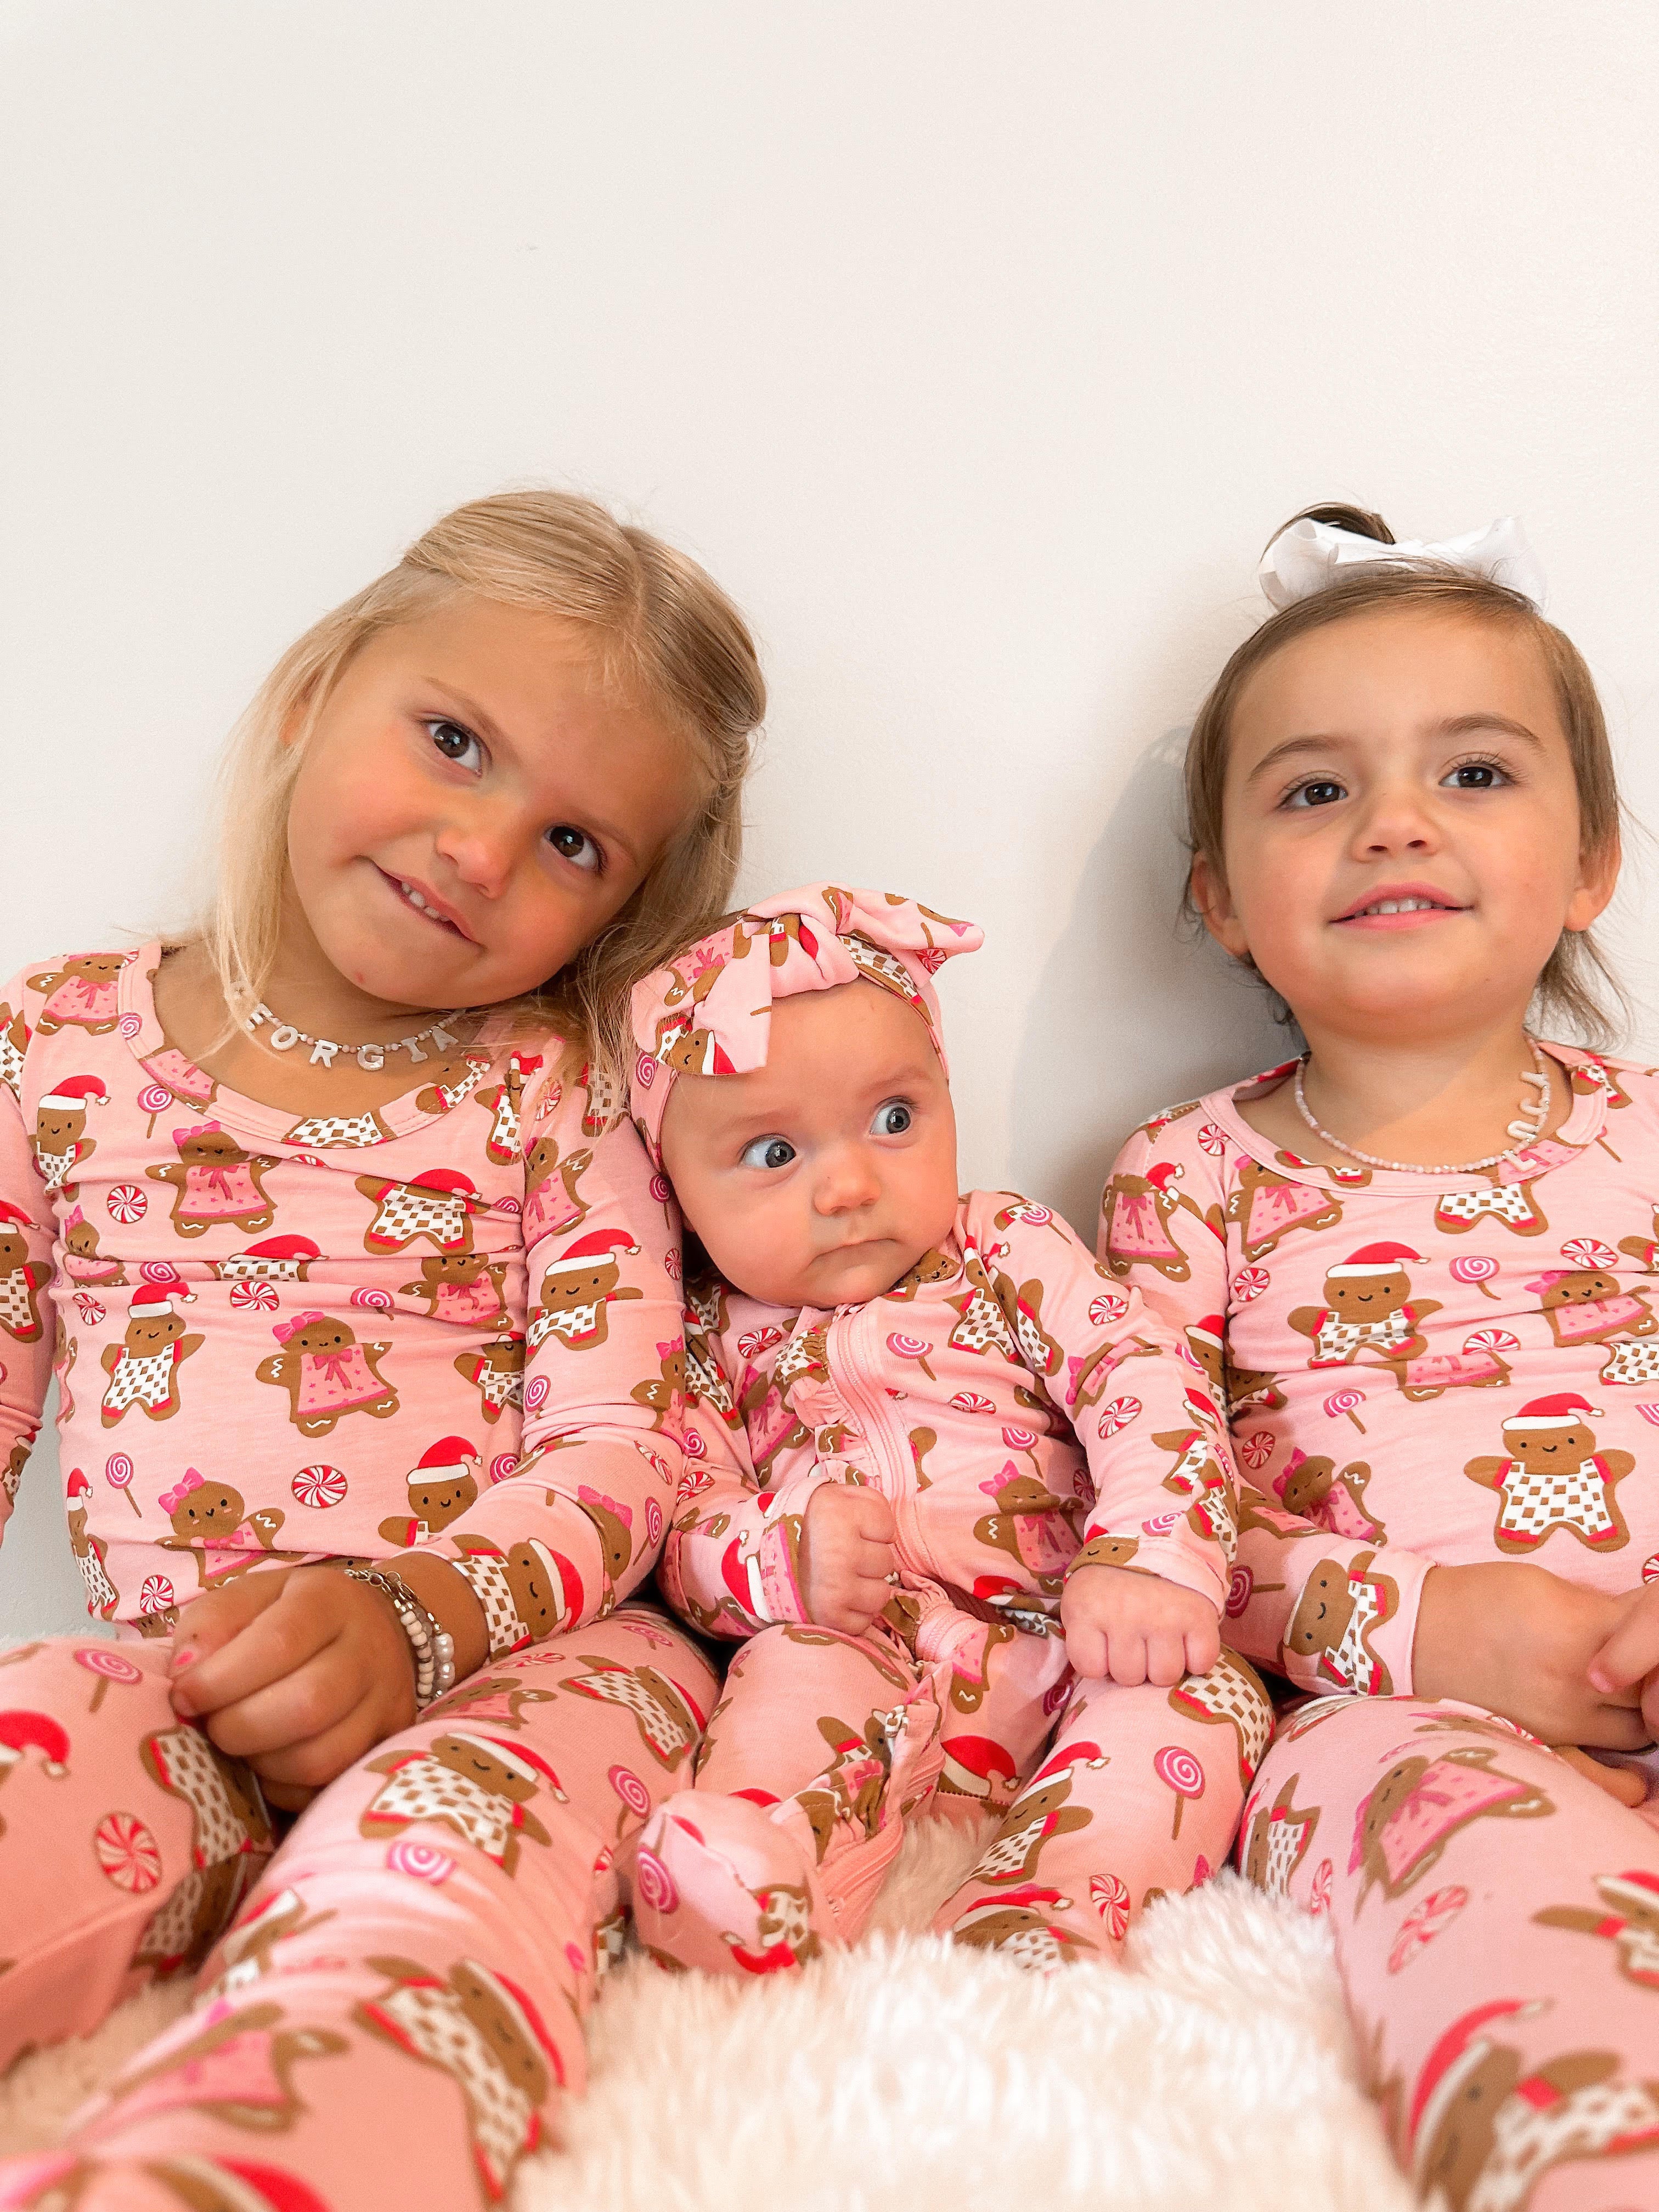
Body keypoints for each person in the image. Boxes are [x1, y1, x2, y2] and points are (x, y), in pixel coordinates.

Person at [0, 489, 764, 2211]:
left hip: (529, 1673)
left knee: (420, 1905)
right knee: (36, 1724)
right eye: (452, 741)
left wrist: (417, 1626)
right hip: (193, 1673)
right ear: (307, 695)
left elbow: (621, 1445)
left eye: (578, 845)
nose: (483, 851)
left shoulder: (556, 1091)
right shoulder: (56, 1040)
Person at [1104, 504, 1659, 2209]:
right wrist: (1431, 1627)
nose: (1395, 822)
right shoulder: (1188, 1175)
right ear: (1220, 901)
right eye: (1315, 789)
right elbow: (1156, 1537)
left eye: (1476, 774)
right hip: (1399, 1716)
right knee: (1491, 1897)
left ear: (1591, 862)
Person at [619, 884, 1271, 1974]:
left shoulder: (1002, 1248)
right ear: (676, 1190)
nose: (850, 1185)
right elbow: (677, 1529)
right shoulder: (697, 1334)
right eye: (774, 1155)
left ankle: (1045, 1910)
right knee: (791, 1681)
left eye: (894, 1120)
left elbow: (1141, 1377)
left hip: (1077, 1641)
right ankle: (765, 1879)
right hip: (864, 1648)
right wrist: (776, 1560)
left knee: (1196, 1703)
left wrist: (1150, 1555)